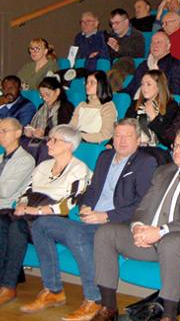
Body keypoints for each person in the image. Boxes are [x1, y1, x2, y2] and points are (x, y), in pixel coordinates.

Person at [21, 119, 157, 320]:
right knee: (41, 224)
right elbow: (92, 189)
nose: (122, 140)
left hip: (118, 224)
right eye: (118, 135)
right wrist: (86, 205)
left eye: (128, 136)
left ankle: (94, 300)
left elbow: (142, 204)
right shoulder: (105, 156)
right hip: (92, 218)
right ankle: (53, 290)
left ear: (138, 139)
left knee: (74, 233)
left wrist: (106, 216)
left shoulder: (145, 162)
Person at [92, 125, 180, 321]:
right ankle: (108, 307)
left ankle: (169, 315)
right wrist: (137, 227)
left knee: (172, 242)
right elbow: (143, 207)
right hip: (149, 239)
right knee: (106, 233)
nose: (176, 150)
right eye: (175, 145)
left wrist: (160, 231)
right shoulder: (163, 171)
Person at [15, 126, 92, 313]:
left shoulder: (79, 169)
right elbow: (27, 190)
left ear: (69, 145)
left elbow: (69, 204)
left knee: (29, 226)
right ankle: (8, 283)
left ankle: (52, 290)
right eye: (49, 139)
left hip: (58, 218)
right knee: (10, 224)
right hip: (32, 214)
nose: (48, 143)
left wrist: (37, 210)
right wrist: (21, 204)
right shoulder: (43, 166)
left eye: (54, 140)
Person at [0, 118, 35, 306]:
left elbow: (6, 190)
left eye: (4, 130)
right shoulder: (1, 157)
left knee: (6, 225)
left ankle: (7, 285)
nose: (0, 134)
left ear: (18, 133)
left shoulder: (25, 160)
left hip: (8, 208)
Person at [125, 70, 180, 152]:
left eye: (149, 84)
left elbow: (168, 139)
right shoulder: (135, 104)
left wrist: (153, 117)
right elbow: (124, 126)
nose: (144, 88)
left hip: (156, 151)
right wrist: (111, 143)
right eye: (142, 84)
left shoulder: (171, 106)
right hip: (133, 147)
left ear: (159, 86)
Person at [23, 76, 74, 163]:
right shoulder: (41, 107)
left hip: (56, 139)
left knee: (44, 146)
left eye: (47, 94)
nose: (45, 98)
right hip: (41, 138)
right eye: (42, 96)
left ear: (57, 92)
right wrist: (31, 131)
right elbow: (34, 126)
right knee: (21, 140)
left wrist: (44, 133)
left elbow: (63, 129)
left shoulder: (65, 107)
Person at [124, 31, 180, 98]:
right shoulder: (143, 65)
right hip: (136, 104)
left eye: (159, 42)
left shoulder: (177, 66)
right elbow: (130, 89)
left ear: (168, 46)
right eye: (152, 42)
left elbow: (176, 92)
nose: (155, 45)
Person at [70, 71, 117, 144]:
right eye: (87, 82)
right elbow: (71, 127)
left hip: (92, 145)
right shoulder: (82, 105)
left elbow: (106, 135)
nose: (87, 86)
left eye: (92, 83)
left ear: (101, 85)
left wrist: (81, 136)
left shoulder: (107, 106)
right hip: (76, 141)